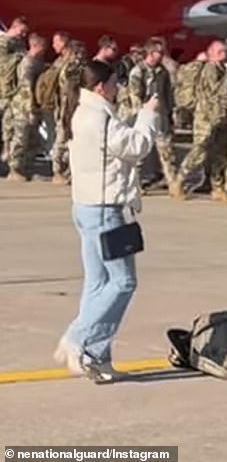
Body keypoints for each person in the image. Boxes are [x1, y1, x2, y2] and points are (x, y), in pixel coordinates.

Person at [54, 60, 160, 383]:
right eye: (115, 83)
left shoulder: (81, 112)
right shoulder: (98, 117)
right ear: (101, 87)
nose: (118, 88)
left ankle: (97, 354)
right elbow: (135, 147)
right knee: (123, 281)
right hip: (103, 210)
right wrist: (148, 115)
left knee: (97, 283)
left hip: (85, 206)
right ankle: (78, 338)